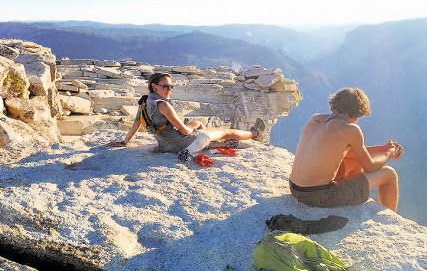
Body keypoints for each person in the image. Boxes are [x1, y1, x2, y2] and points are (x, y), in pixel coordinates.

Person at [288, 88, 403, 211]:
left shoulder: (316, 119)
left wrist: (381, 148)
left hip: (294, 188)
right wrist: (388, 153)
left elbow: (348, 153)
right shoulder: (351, 130)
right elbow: (369, 166)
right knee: (389, 174)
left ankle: (352, 188)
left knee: (354, 161)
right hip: (318, 195)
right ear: (358, 113)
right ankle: (389, 218)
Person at [108, 73, 266, 162]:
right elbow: (184, 131)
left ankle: (210, 144)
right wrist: (192, 129)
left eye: (171, 86)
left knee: (197, 122)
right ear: (154, 87)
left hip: (164, 146)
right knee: (225, 131)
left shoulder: (144, 102)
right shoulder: (163, 105)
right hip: (182, 144)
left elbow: (136, 123)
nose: (170, 89)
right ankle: (255, 134)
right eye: (166, 86)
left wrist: (125, 141)